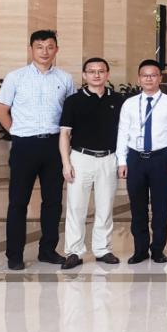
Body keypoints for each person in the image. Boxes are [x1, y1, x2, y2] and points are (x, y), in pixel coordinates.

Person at [0, 30, 76, 270]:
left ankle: (48, 250)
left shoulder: (65, 78)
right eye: (39, 47)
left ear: (56, 50)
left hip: (54, 146)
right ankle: (14, 255)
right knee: (18, 202)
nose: (45, 51)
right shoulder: (15, 77)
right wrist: (17, 133)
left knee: (53, 201)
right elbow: (1, 111)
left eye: (50, 47)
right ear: (31, 49)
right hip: (25, 145)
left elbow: (71, 114)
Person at [58, 57, 124, 269]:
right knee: (76, 207)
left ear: (107, 74)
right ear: (84, 75)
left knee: (105, 206)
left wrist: (122, 161)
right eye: (92, 71)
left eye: (101, 71)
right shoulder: (73, 101)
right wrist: (66, 163)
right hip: (81, 158)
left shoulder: (118, 100)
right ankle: (74, 251)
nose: (96, 75)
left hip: (109, 158)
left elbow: (125, 133)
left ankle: (103, 249)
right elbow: (64, 134)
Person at [116, 59, 167, 264]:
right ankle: (140, 249)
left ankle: (158, 249)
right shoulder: (129, 104)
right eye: (145, 75)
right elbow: (122, 133)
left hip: (160, 157)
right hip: (135, 158)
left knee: (161, 207)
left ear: (160, 78)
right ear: (139, 79)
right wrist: (122, 161)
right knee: (138, 206)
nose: (149, 79)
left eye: (153, 75)